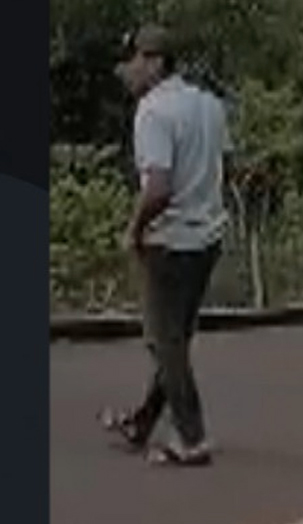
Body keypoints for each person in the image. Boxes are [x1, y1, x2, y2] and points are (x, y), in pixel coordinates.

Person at [99, 24, 230, 467]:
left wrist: (133, 230)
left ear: (154, 62)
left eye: (133, 61)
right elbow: (216, 166)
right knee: (176, 337)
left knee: (164, 340)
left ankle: (191, 437)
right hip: (207, 235)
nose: (128, 72)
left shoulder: (153, 112)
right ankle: (143, 420)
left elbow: (158, 188)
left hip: (170, 240)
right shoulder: (209, 106)